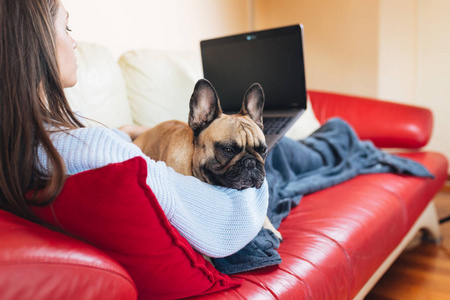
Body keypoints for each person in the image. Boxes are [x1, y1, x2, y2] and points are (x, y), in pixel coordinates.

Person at [0, 0, 268, 258]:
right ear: (36, 43)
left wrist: (129, 131)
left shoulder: (28, 140)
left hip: (137, 134)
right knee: (295, 154)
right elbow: (230, 223)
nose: (74, 42)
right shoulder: (96, 149)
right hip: (229, 187)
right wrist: (260, 180)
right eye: (67, 28)